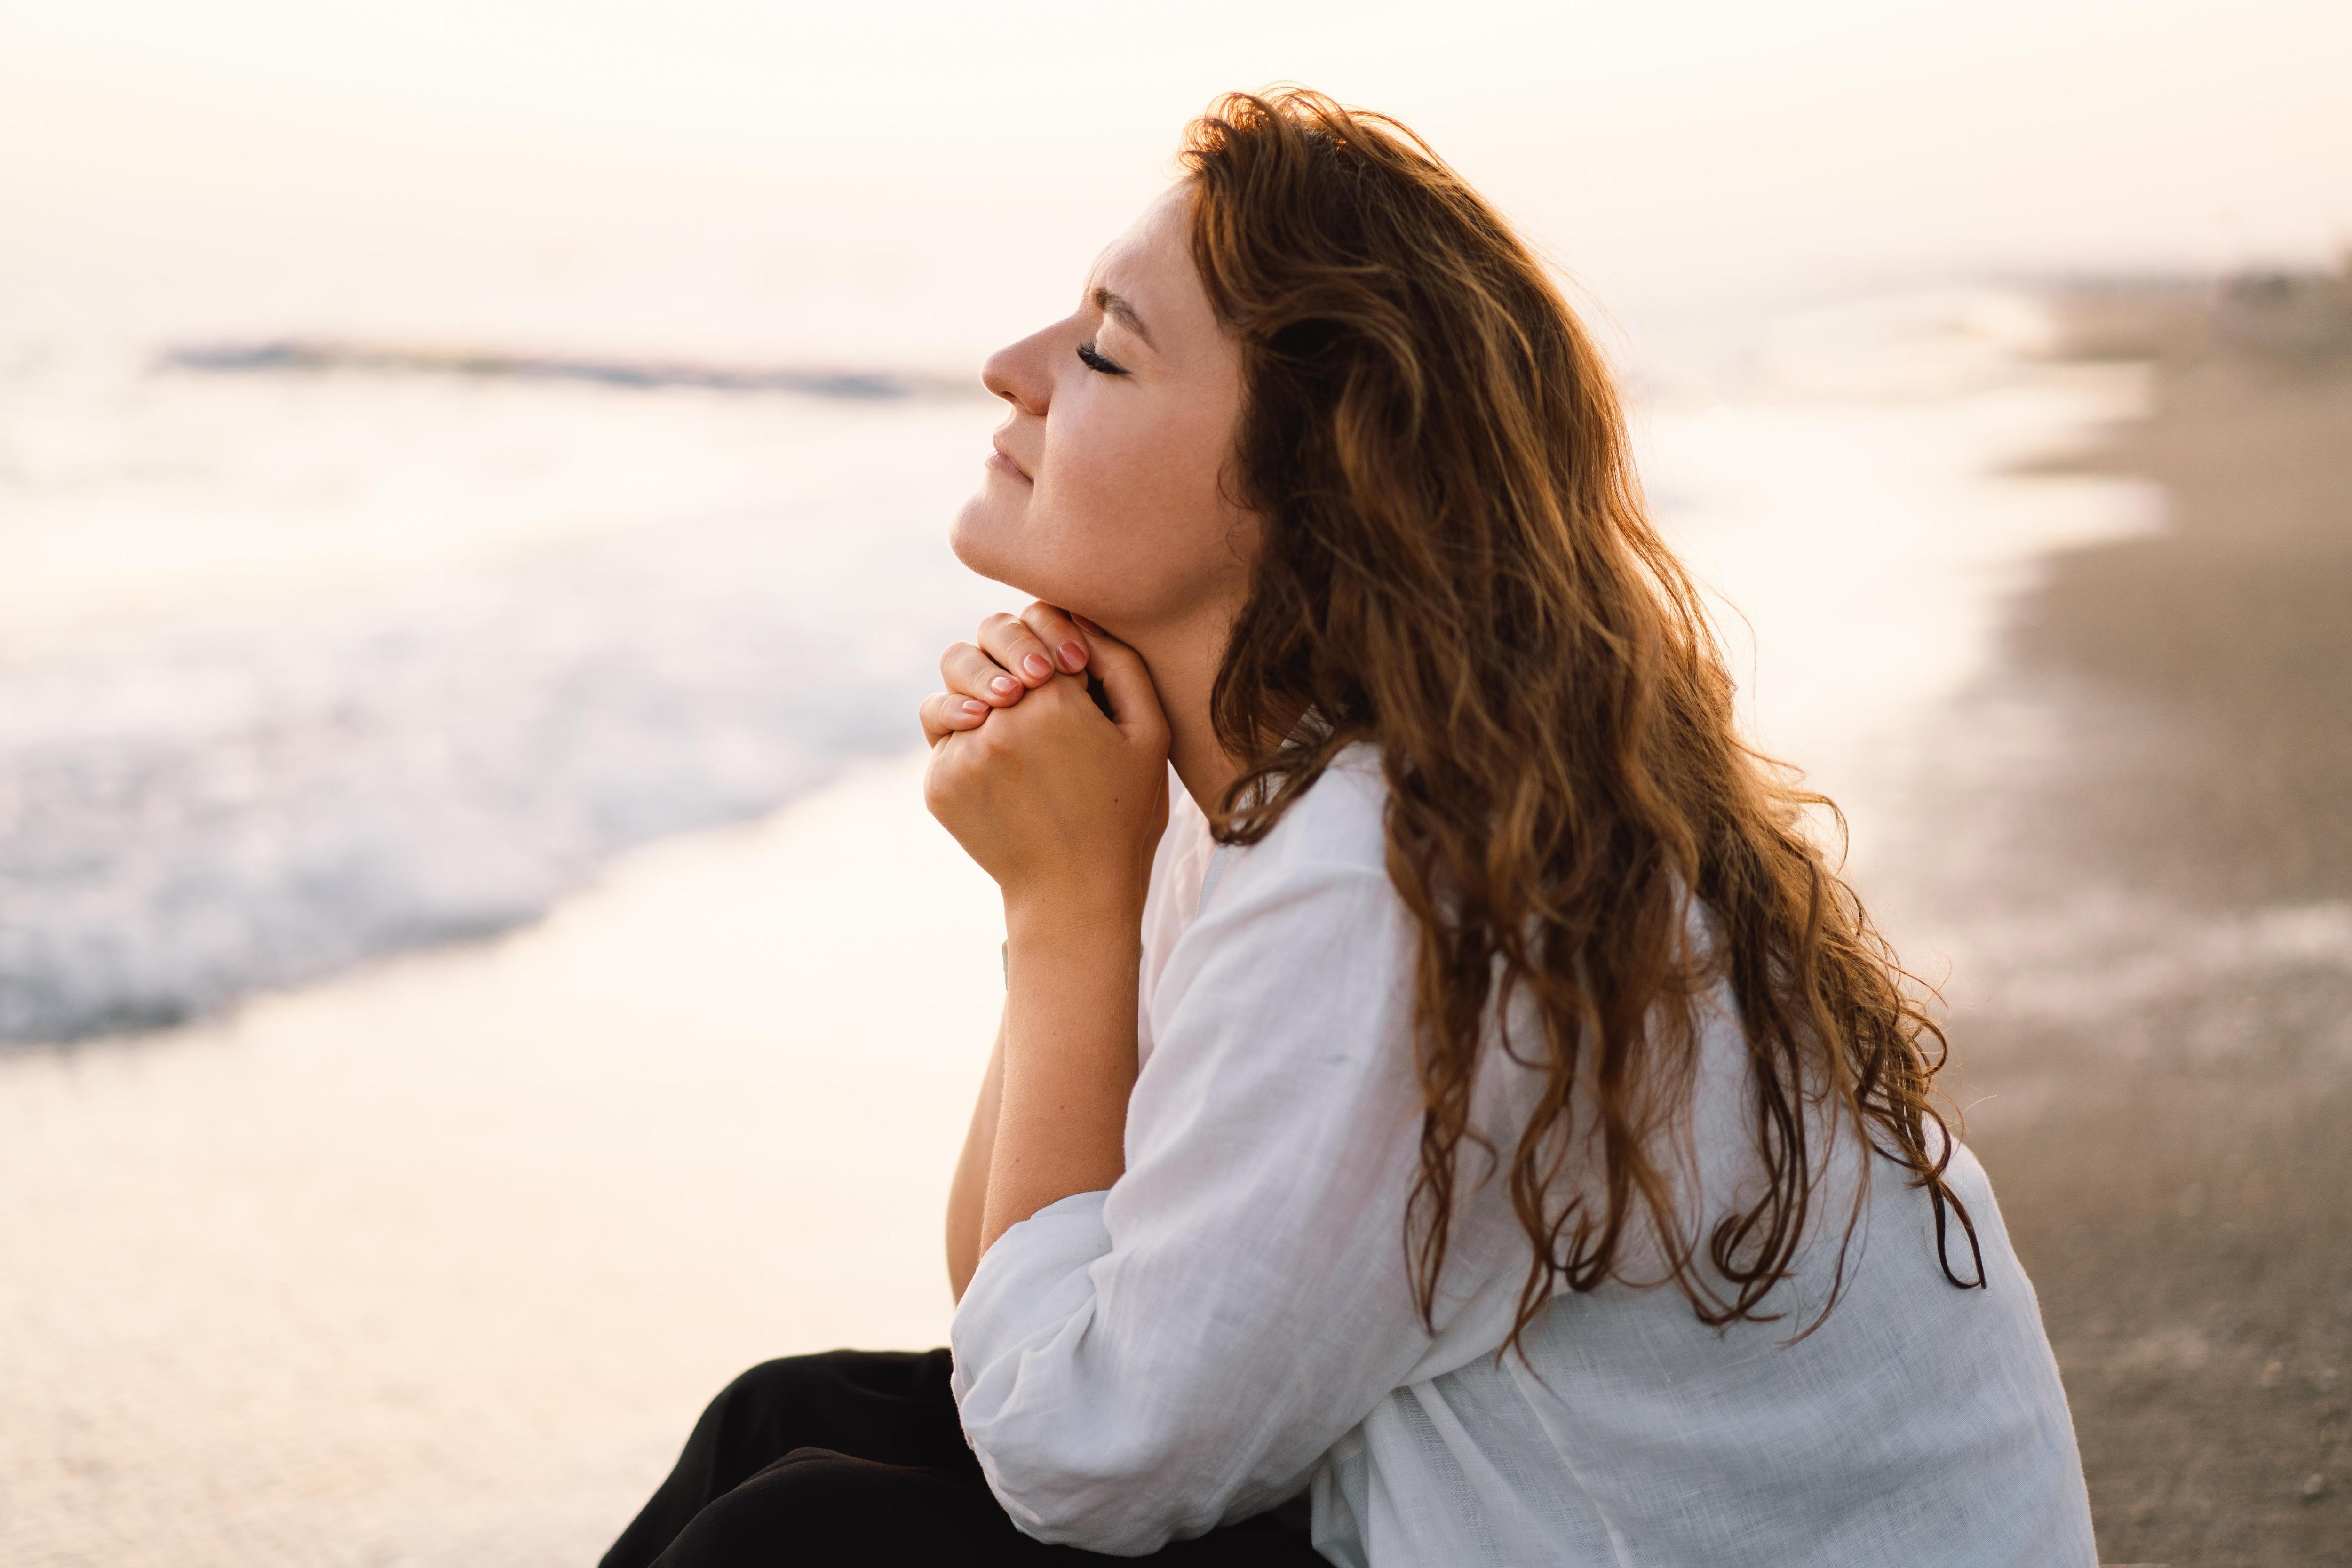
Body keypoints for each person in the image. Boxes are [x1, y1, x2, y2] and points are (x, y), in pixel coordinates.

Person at [601, 88, 2097, 1568]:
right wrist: (1082, 885)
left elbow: (1078, 1449)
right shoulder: (1311, 781)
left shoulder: (1400, 866)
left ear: (1311, 491)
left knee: (800, 1540)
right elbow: (1021, 1318)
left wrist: (1061, 913)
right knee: (781, 1424)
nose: (1013, 369)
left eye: (1107, 353)